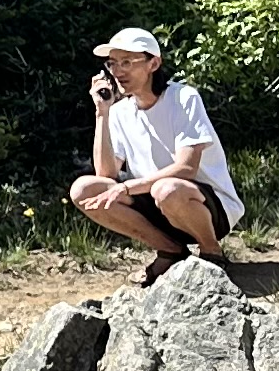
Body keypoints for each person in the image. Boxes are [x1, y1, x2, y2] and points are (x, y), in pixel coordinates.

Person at [69, 25, 243, 285]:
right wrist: (102, 113)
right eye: (112, 63)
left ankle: (211, 252)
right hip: (155, 201)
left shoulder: (183, 98)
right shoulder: (119, 112)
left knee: (167, 189)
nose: (117, 71)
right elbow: (106, 176)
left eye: (127, 62)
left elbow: (186, 169)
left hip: (207, 206)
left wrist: (127, 188)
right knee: (84, 189)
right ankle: (171, 251)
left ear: (153, 63)